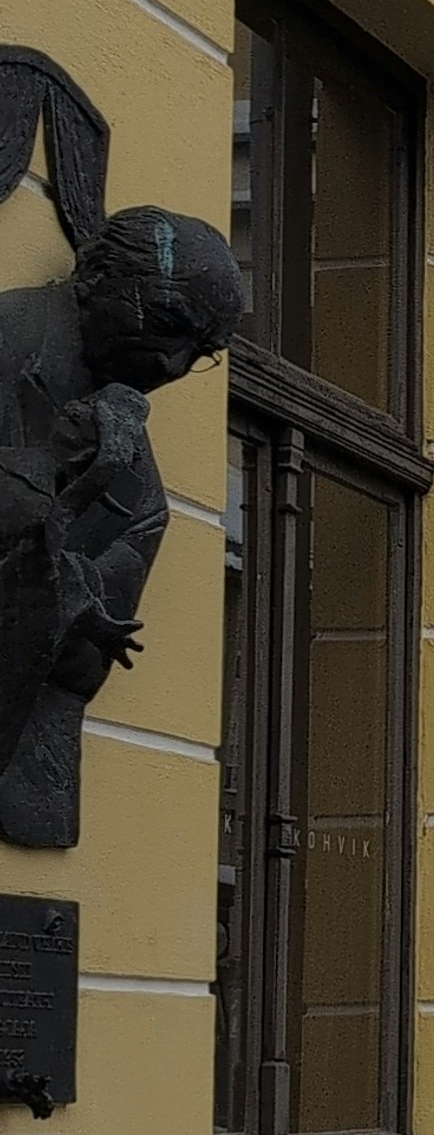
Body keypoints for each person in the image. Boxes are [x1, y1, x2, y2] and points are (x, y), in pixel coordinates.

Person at [0, 202, 246, 848]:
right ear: (94, 277)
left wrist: (68, 590)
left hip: (28, 764)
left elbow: (86, 664)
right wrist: (56, 468)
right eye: (167, 325)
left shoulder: (134, 471)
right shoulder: (8, 341)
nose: (172, 365)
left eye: (200, 352)